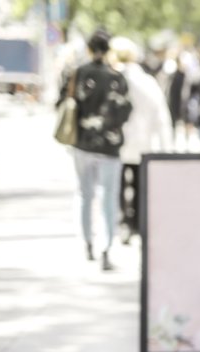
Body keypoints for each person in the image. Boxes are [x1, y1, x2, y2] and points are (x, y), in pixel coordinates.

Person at [58, 30, 133, 271]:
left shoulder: (78, 73)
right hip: (109, 146)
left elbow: (64, 103)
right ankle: (106, 247)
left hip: (82, 143)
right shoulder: (116, 77)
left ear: (89, 49)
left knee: (84, 194)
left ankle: (87, 242)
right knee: (108, 197)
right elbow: (125, 111)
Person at [110, 37, 173, 244]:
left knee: (118, 184)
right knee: (139, 183)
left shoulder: (113, 78)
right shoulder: (146, 80)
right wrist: (166, 146)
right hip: (142, 141)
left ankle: (123, 222)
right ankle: (136, 222)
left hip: (117, 141)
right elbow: (160, 114)